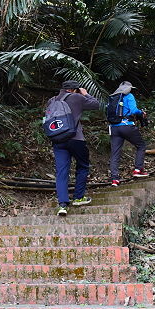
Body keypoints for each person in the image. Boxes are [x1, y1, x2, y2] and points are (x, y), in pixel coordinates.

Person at [49, 80, 101, 216]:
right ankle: (78, 197)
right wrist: (86, 94)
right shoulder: (77, 97)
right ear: (74, 90)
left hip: (58, 139)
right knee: (83, 166)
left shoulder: (52, 100)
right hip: (75, 138)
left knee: (61, 172)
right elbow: (96, 105)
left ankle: (62, 205)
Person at [107, 80, 149, 187]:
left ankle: (114, 179)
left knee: (115, 153)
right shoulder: (129, 96)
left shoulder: (113, 97)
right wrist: (142, 113)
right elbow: (134, 110)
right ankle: (138, 170)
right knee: (141, 146)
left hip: (114, 128)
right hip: (126, 126)